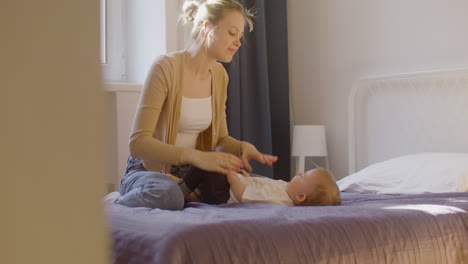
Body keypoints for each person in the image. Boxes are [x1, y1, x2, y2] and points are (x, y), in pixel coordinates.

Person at [115, 0, 278, 210]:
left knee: (260, 186)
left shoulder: (219, 76)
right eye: (231, 33)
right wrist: (197, 157)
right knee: (169, 196)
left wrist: (241, 147)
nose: (238, 43)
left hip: (192, 172)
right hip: (149, 171)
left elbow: (220, 139)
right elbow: (137, 144)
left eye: (239, 37)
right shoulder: (165, 68)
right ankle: (116, 204)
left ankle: (188, 192)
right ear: (208, 27)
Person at [226, 168, 341, 206]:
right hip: (241, 181)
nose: (299, 173)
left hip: (228, 189)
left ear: (300, 196)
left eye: (302, 177)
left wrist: (233, 179)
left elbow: (243, 195)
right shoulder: (286, 188)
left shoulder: (277, 199)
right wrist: (248, 179)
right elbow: (263, 185)